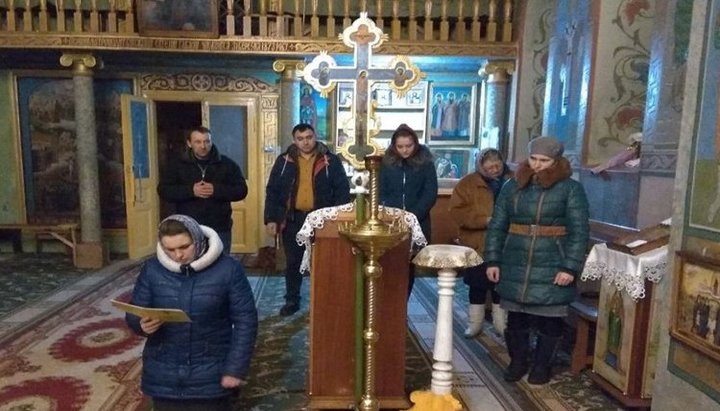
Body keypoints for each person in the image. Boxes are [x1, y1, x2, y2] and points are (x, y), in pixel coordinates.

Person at [484, 136, 589, 385]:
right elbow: (498, 226)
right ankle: (518, 361)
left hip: (553, 261)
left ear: (556, 161)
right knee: (516, 317)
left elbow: (579, 231)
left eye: (544, 160)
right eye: (533, 159)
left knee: (550, 317)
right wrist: (492, 260)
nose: (537, 165)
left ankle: (542, 365)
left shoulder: (570, 189)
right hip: (515, 259)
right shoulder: (511, 187)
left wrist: (570, 267)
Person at [125, 214, 258, 411]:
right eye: (170, 250)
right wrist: (141, 324)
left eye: (184, 247)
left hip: (211, 373)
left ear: (197, 239)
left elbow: (246, 321)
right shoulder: (152, 269)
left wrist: (235, 368)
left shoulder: (228, 269)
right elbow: (135, 312)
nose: (178, 255)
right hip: (164, 374)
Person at [264, 123, 351, 316]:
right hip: (293, 219)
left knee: (322, 262)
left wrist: (336, 218)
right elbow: (273, 191)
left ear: (315, 136)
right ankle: (292, 300)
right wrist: (271, 218)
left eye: (309, 137)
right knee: (293, 262)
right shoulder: (284, 161)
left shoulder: (330, 160)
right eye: (301, 138)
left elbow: (342, 190)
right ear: (294, 140)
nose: (306, 142)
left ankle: (324, 300)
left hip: (322, 221)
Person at [449, 148, 513, 338]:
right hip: (476, 242)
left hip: (506, 242)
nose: (494, 170)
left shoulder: (513, 181)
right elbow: (457, 212)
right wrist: (484, 220)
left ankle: (501, 323)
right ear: (480, 167)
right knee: (476, 283)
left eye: (497, 166)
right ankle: (475, 323)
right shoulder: (468, 183)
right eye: (489, 168)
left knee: (501, 284)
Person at [158, 126, 248, 254]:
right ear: (189, 143)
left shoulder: (227, 164)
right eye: (198, 142)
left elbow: (241, 190)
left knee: (220, 265)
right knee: (193, 264)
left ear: (211, 142)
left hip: (220, 226)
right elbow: (163, 190)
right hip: (188, 226)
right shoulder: (177, 165)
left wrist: (216, 190)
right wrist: (190, 191)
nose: (203, 146)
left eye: (207, 141)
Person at [380, 123, 438, 296]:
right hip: (390, 222)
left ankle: (403, 302)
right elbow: (380, 190)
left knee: (409, 266)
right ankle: (390, 304)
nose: (405, 150)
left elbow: (430, 193)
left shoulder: (425, 163)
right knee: (389, 264)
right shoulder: (386, 163)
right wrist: (391, 214)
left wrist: (412, 216)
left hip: (417, 222)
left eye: (408, 146)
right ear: (394, 146)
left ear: (416, 144)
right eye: (400, 147)